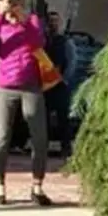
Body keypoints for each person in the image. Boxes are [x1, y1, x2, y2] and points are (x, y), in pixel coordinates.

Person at [0, 0, 52, 206]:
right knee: (2, 137)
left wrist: (23, 21)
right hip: (5, 87)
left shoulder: (30, 21)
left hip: (31, 85)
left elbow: (39, 42)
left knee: (39, 137)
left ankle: (37, 186)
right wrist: (0, 19)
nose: (7, 1)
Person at [44, 11, 73, 157]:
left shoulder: (65, 41)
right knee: (44, 118)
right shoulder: (43, 41)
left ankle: (65, 147)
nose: (53, 24)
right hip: (45, 86)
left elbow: (72, 61)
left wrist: (64, 79)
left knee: (63, 118)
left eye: (55, 21)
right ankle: (44, 146)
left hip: (60, 85)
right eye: (50, 21)